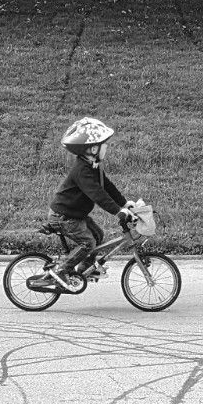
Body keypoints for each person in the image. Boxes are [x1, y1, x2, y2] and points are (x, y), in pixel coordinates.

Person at [43, 117, 137, 289]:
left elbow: (106, 186)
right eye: (104, 144)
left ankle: (85, 270)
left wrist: (124, 204)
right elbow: (97, 194)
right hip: (63, 217)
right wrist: (118, 211)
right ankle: (61, 271)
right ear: (93, 148)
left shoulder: (93, 166)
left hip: (75, 215)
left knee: (98, 235)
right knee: (88, 243)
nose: (106, 147)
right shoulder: (82, 170)